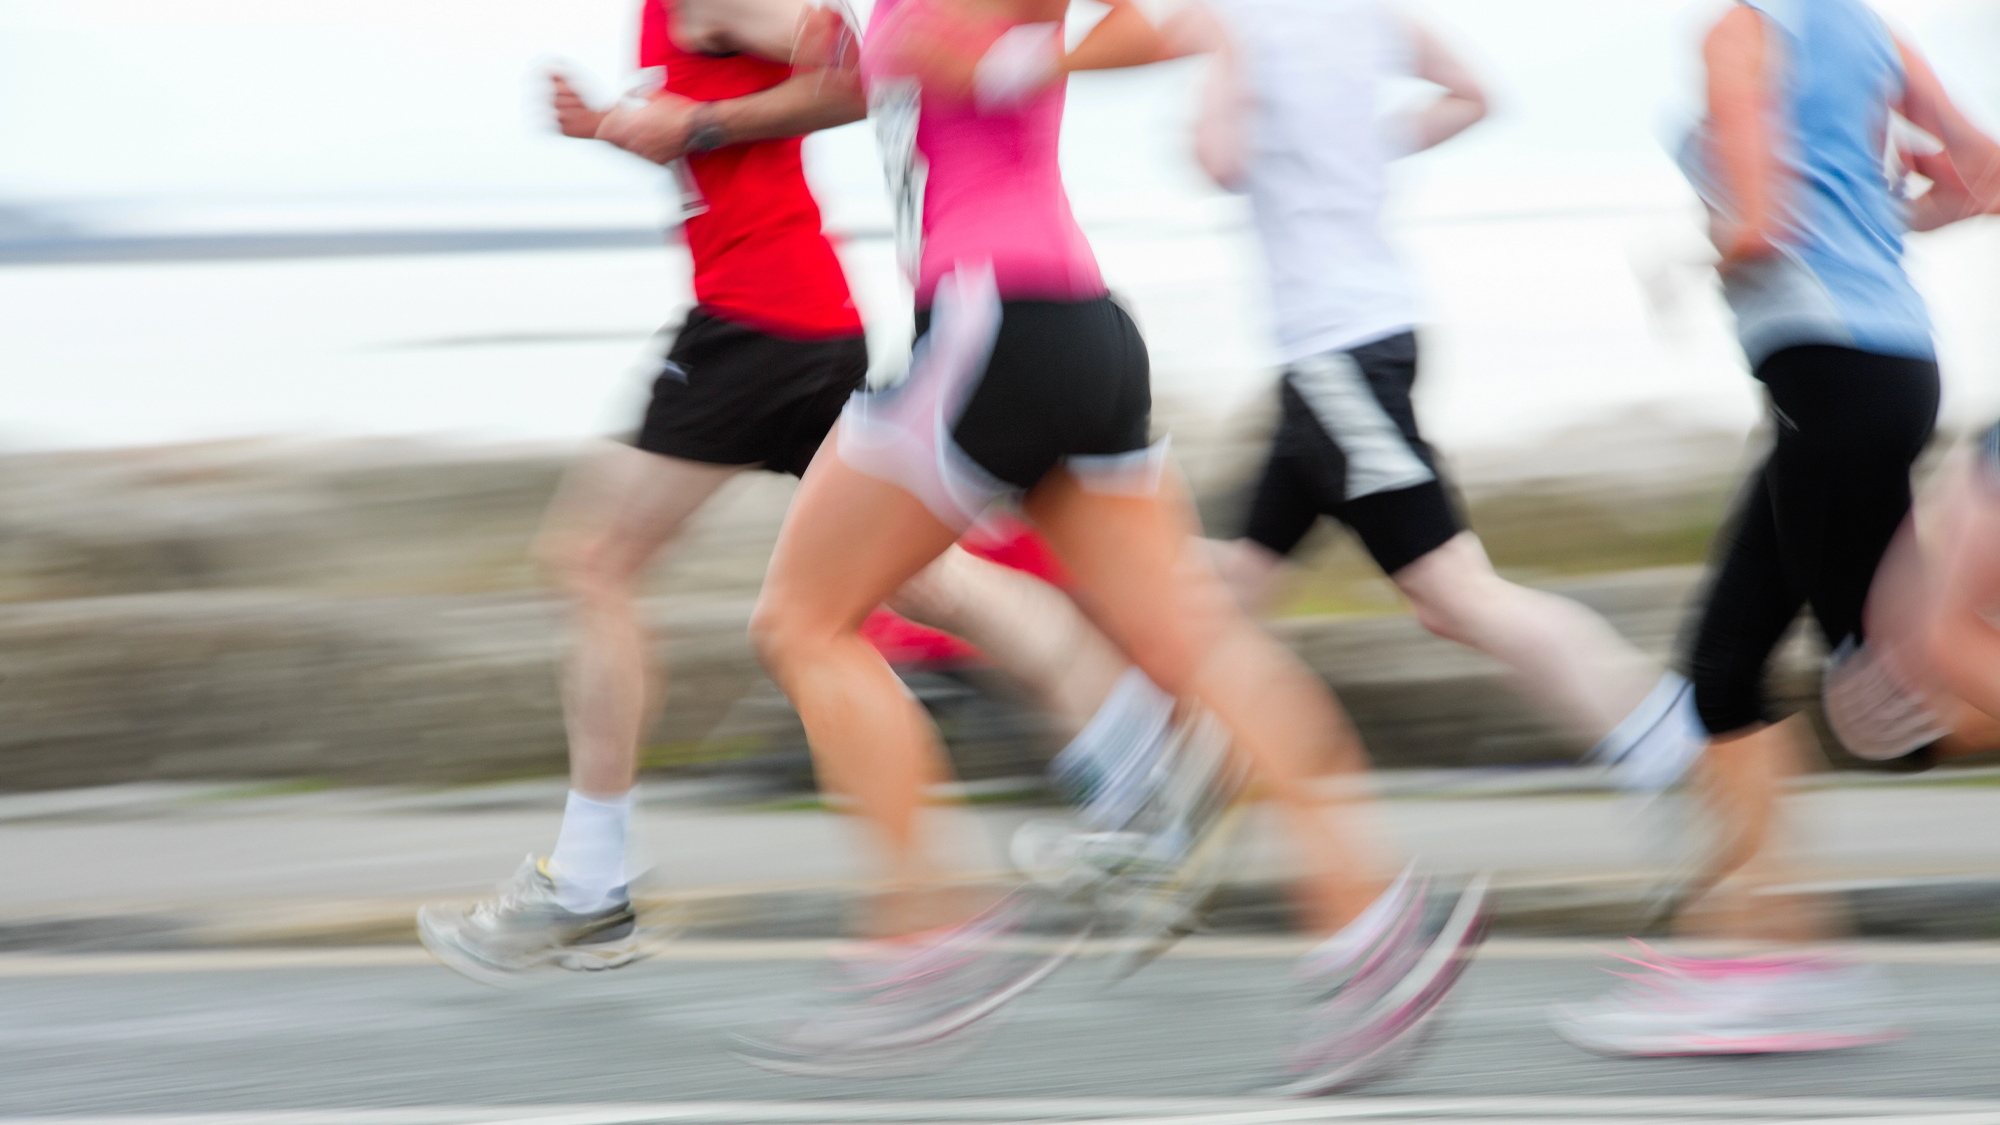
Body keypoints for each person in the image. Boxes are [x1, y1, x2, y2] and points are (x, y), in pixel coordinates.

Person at [733, 0, 1487, 1086]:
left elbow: (1157, 23)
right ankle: (1371, 933)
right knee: (1196, 646)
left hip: (995, 325)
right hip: (1076, 332)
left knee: (801, 622)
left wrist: (1015, 62)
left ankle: (924, 931)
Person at [415, 0, 1193, 982]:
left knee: (595, 562)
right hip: (783, 319)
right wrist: (621, 126)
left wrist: (695, 124)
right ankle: (1139, 767)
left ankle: (594, 880)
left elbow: (857, 72)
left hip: (758, 326)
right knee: (925, 583)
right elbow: (759, 112)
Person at [1552, 0, 2000, 1056]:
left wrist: (1682, 256)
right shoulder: (1867, 30)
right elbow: (1980, 175)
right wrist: (1876, 218)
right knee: (1765, 678)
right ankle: (1763, 959)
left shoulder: (1738, 33)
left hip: (1826, 371)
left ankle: (1764, 967)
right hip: (1885, 368)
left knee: (1886, 702)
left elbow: (1757, 226)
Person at [1165, 0, 1699, 790]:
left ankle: (1666, 734)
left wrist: (1220, 58)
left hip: (1335, 352)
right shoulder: (1368, 18)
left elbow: (1216, 157)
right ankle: (1163, 788)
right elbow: (1472, 96)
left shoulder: (1235, 24)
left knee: (1454, 594)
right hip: (1361, 342)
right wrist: (1368, 148)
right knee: (1237, 578)